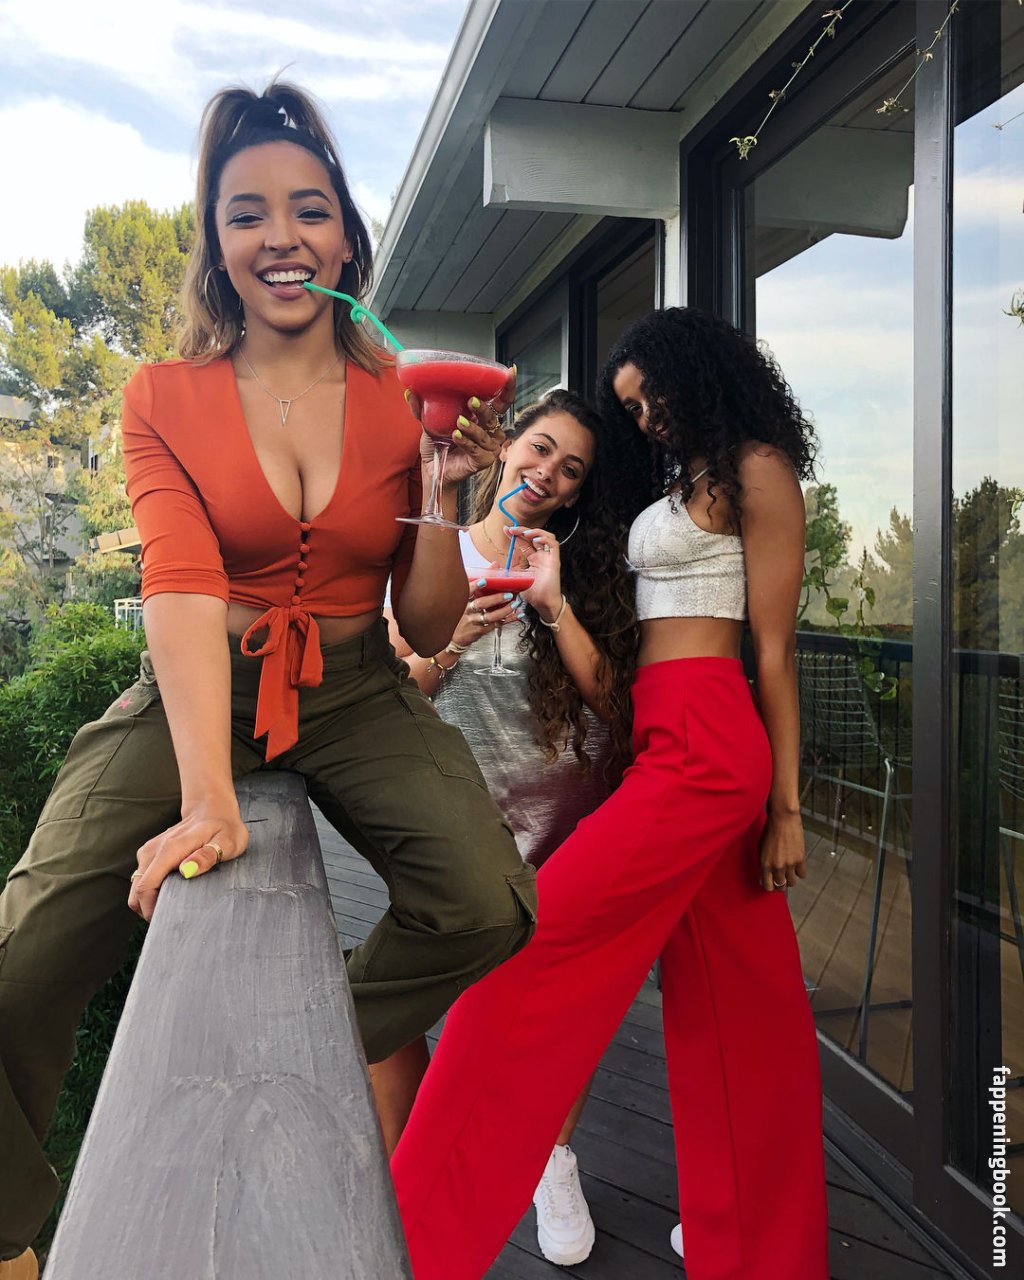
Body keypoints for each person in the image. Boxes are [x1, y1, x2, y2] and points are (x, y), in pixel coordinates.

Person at [0, 81, 535, 1279]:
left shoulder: (400, 401)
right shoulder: (161, 396)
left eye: (308, 210)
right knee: (20, 952)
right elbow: (183, 584)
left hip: (355, 687)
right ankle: (7, 1229)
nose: (280, 237)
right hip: (200, 683)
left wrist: (439, 491)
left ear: (345, 238)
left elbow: (425, 618)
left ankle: (296, 1039)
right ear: (216, 240)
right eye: (247, 213)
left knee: (488, 898)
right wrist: (207, 792)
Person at [391, 306, 830, 1280]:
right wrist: (490, 467)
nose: (648, 417)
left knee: (531, 947)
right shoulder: (676, 481)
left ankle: (416, 1241)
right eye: (631, 408)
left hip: (707, 745)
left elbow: (772, 650)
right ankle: (753, 1247)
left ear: (695, 372)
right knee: (738, 1010)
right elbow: (551, 508)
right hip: (656, 734)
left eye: (652, 396)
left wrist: (787, 807)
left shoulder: (757, 467)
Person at [387, 389, 635, 1265]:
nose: (548, 474)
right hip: (455, 816)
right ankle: (417, 1160)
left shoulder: (584, 568)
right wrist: (451, 637)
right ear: (506, 447)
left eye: (571, 470)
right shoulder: (434, 552)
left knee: (561, 1004)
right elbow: (391, 696)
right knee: (419, 995)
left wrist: (555, 605)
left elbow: (615, 704)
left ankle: (553, 1159)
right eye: (540, 448)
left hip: (567, 817)